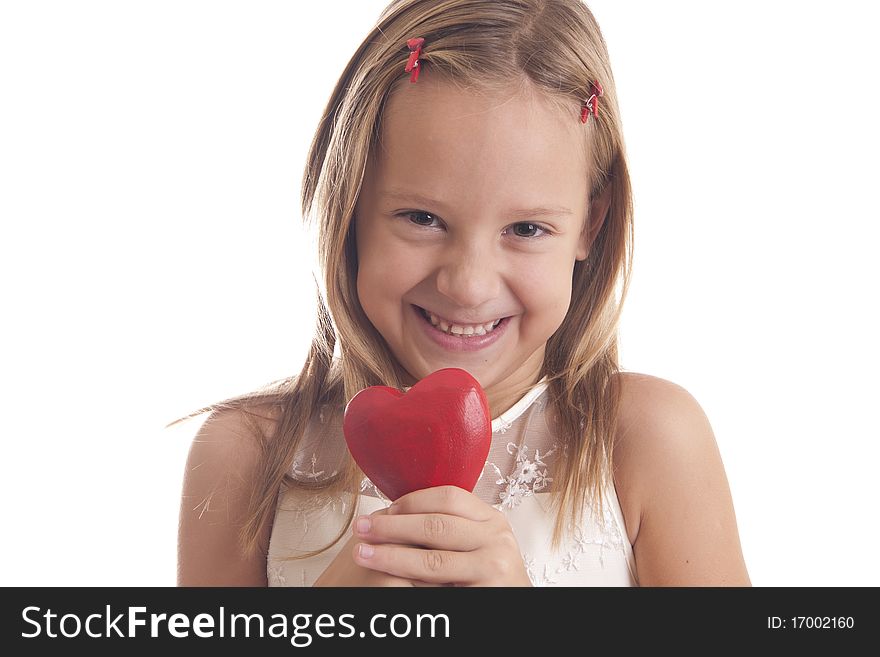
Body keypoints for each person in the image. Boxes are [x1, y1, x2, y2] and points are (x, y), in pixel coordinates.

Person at [174, 0, 750, 587]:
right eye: (422, 218)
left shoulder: (648, 440)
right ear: (350, 206)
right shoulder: (246, 455)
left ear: (590, 225)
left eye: (526, 229)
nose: (469, 285)